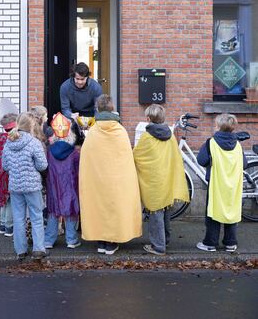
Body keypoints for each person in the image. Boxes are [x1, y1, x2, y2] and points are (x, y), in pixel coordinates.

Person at [79, 94, 142, 255]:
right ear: (112, 108)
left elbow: (86, 157)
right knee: (115, 207)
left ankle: (101, 241)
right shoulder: (119, 131)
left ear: (98, 109)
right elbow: (126, 156)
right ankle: (112, 242)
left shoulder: (93, 132)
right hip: (117, 180)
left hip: (97, 180)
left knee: (99, 207)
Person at [133, 104, 190, 256]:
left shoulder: (146, 136)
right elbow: (175, 157)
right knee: (165, 211)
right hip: (167, 179)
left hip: (153, 181)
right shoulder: (170, 135)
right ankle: (165, 239)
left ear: (148, 119)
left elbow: (137, 156)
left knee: (155, 213)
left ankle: (158, 246)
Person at [196, 113, 246, 253]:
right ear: (233, 128)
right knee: (231, 211)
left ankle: (210, 243)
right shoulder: (237, 145)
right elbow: (245, 163)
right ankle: (230, 243)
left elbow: (201, 160)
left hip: (216, 184)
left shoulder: (210, 143)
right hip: (233, 186)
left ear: (217, 126)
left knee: (213, 213)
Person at [2, 112, 48, 261]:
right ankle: (38, 249)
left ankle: (20, 250)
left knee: (18, 218)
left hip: (15, 186)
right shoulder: (34, 142)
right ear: (32, 125)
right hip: (32, 186)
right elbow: (42, 165)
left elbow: (5, 166)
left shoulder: (8, 142)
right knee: (36, 216)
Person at [44, 118, 84, 250]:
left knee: (53, 210)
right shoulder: (74, 153)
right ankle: (71, 239)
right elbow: (79, 170)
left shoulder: (49, 151)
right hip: (70, 185)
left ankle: (49, 240)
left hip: (53, 184)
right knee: (70, 209)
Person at [0, 112, 17, 237]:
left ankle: (2, 225)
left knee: (3, 201)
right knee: (10, 200)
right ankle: (9, 227)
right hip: (7, 173)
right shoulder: (10, 140)